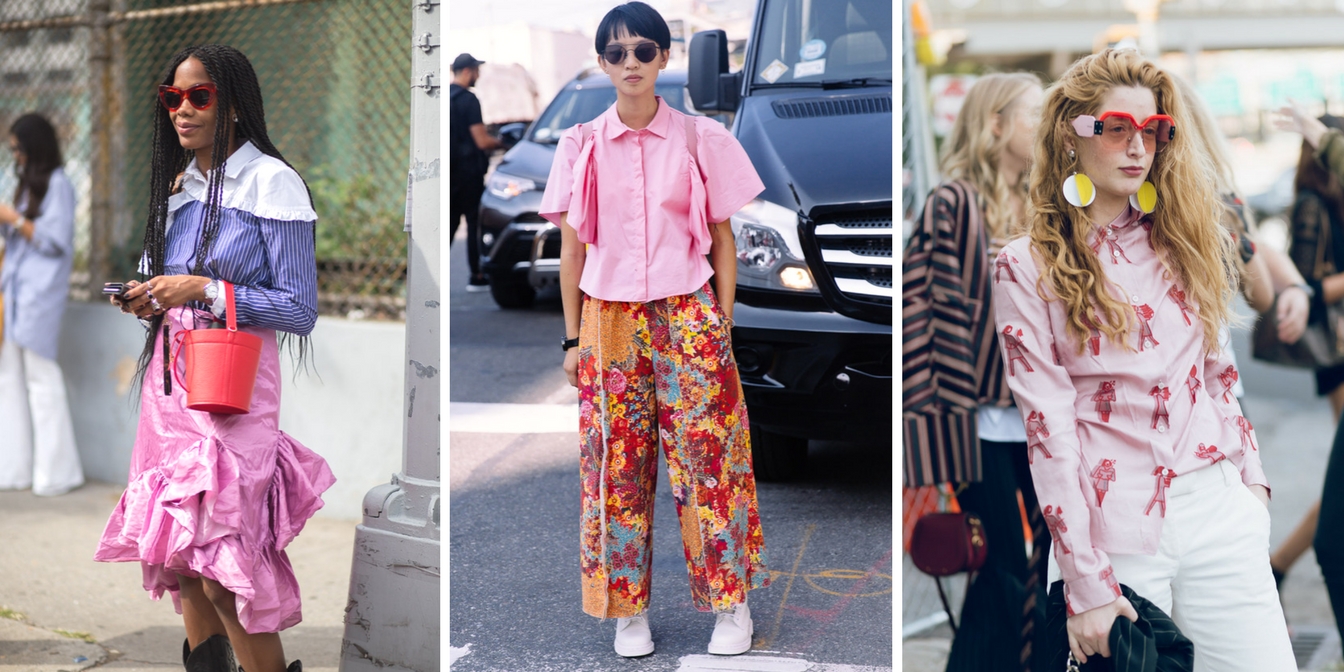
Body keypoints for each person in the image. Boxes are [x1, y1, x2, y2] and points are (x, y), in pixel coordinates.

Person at [994, 48, 1295, 669]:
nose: (1138, 146)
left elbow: (1217, 375)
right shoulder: (1025, 265)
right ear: (1071, 136)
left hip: (1219, 510)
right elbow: (1047, 428)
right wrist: (1085, 583)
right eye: (1117, 127)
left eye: (1153, 130)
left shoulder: (1187, 241)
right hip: (1112, 534)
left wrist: (1252, 485)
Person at [537, 1, 770, 658]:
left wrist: (720, 323)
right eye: (617, 53)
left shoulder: (701, 138)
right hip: (607, 320)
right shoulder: (580, 144)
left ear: (665, 57)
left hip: (687, 312)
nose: (631, 63)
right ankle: (625, 610)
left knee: (711, 462)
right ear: (602, 62)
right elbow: (572, 252)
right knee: (616, 468)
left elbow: (723, 239)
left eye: (644, 50)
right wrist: (572, 339)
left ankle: (732, 603)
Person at [93, 44, 335, 672]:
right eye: (173, 98)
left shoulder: (270, 182)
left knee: (228, 571)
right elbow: (166, 277)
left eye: (199, 96)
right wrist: (146, 295)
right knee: (184, 566)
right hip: (171, 394)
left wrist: (203, 288)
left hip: (232, 395)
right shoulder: (181, 185)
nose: (183, 109)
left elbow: (297, 308)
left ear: (232, 106)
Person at [901, 72, 1052, 672]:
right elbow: (924, 317)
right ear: (995, 124)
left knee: (1050, 563)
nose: (1046, 126)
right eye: (1033, 114)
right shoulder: (954, 203)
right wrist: (937, 435)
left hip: (1042, 417)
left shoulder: (1048, 204)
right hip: (982, 422)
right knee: (1005, 567)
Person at [1275, 100, 1344, 648]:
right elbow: (1304, 277)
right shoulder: (1310, 203)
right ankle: (1278, 563)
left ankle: (1279, 563)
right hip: (1334, 346)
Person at [0, 113, 84, 497]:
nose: (14, 155)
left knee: (42, 380)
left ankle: (57, 473)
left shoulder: (58, 184)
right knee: (10, 380)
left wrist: (13, 219)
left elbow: (55, 241)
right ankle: (14, 470)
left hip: (39, 295)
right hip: (15, 292)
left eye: (18, 148)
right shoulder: (25, 185)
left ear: (34, 147)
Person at [450, 52, 502, 292]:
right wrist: (502, 143)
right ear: (469, 70)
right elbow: (481, 141)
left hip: (450, 176)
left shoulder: (445, 97)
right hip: (469, 174)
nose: (478, 75)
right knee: (474, 224)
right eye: (477, 70)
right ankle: (477, 275)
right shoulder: (469, 100)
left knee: (448, 226)